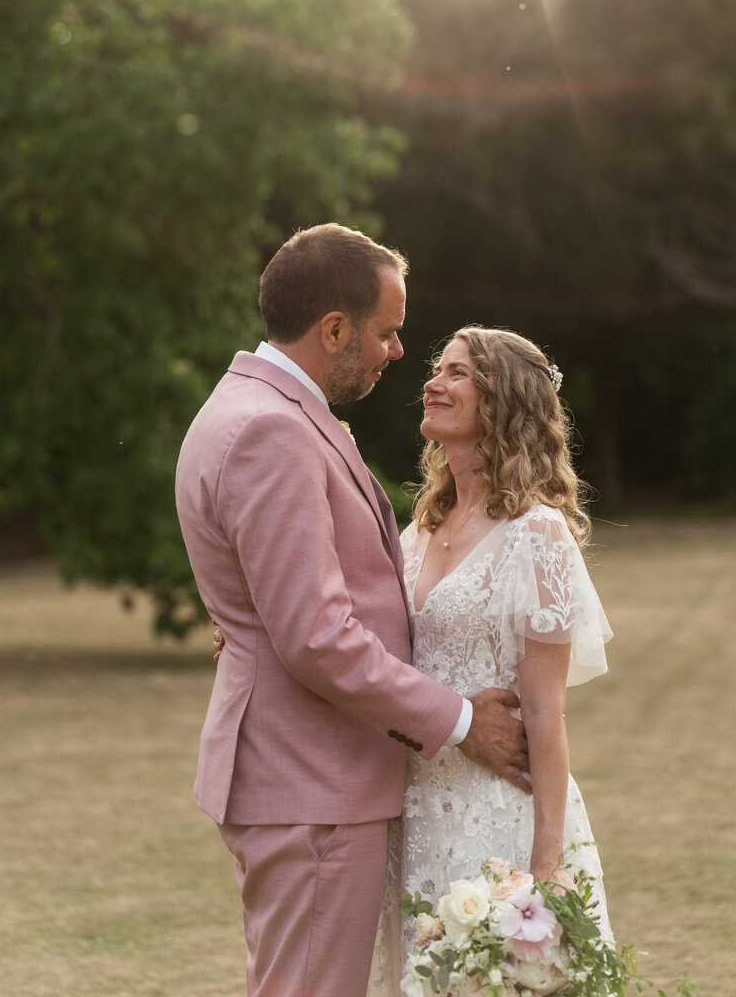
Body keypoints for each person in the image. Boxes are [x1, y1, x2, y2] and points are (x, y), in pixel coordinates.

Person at [174, 225, 529, 997]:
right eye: (387, 331)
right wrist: (462, 723)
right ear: (333, 328)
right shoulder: (272, 429)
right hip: (312, 779)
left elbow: (283, 609)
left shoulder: (256, 408)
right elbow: (316, 637)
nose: (398, 351)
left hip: (306, 775)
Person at [367, 326, 614, 995]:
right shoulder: (416, 532)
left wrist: (548, 864)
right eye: (435, 369)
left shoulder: (537, 534)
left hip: (499, 810)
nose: (433, 382)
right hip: (415, 806)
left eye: (457, 374)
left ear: (501, 401)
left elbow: (544, 711)